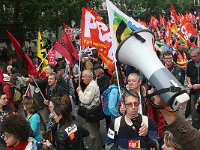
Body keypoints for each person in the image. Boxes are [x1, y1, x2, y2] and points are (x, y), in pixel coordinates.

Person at [76, 69, 103, 150]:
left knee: (93, 133)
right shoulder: (92, 84)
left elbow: (86, 100)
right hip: (94, 111)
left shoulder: (91, 86)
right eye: (82, 77)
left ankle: (97, 147)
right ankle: (100, 145)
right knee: (96, 130)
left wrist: (79, 92)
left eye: (84, 77)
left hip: (91, 112)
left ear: (90, 77)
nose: (82, 78)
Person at [186, 46, 200, 130]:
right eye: (191, 56)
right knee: (194, 112)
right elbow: (188, 76)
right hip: (193, 91)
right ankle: (196, 131)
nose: (192, 58)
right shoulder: (190, 64)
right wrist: (189, 83)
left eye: (194, 56)